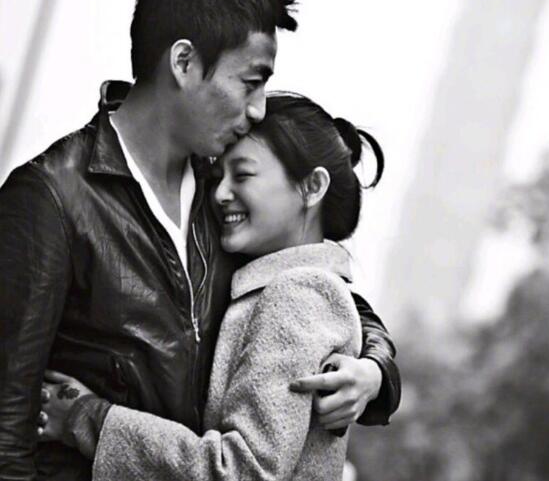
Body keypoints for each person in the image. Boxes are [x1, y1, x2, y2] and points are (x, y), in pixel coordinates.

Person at [0, 0, 401, 481]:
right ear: (184, 62)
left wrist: (375, 371)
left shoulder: (225, 196)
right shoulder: (51, 198)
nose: (258, 109)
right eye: (251, 82)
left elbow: (320, 291)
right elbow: (7, 431)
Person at [40, 92, 387, 481]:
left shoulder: (298, 294)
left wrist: (88, 418)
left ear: (312, 187)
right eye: (219, 176)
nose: (220, 193)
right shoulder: (281, 284)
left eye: (243, 175)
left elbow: (245, 470)